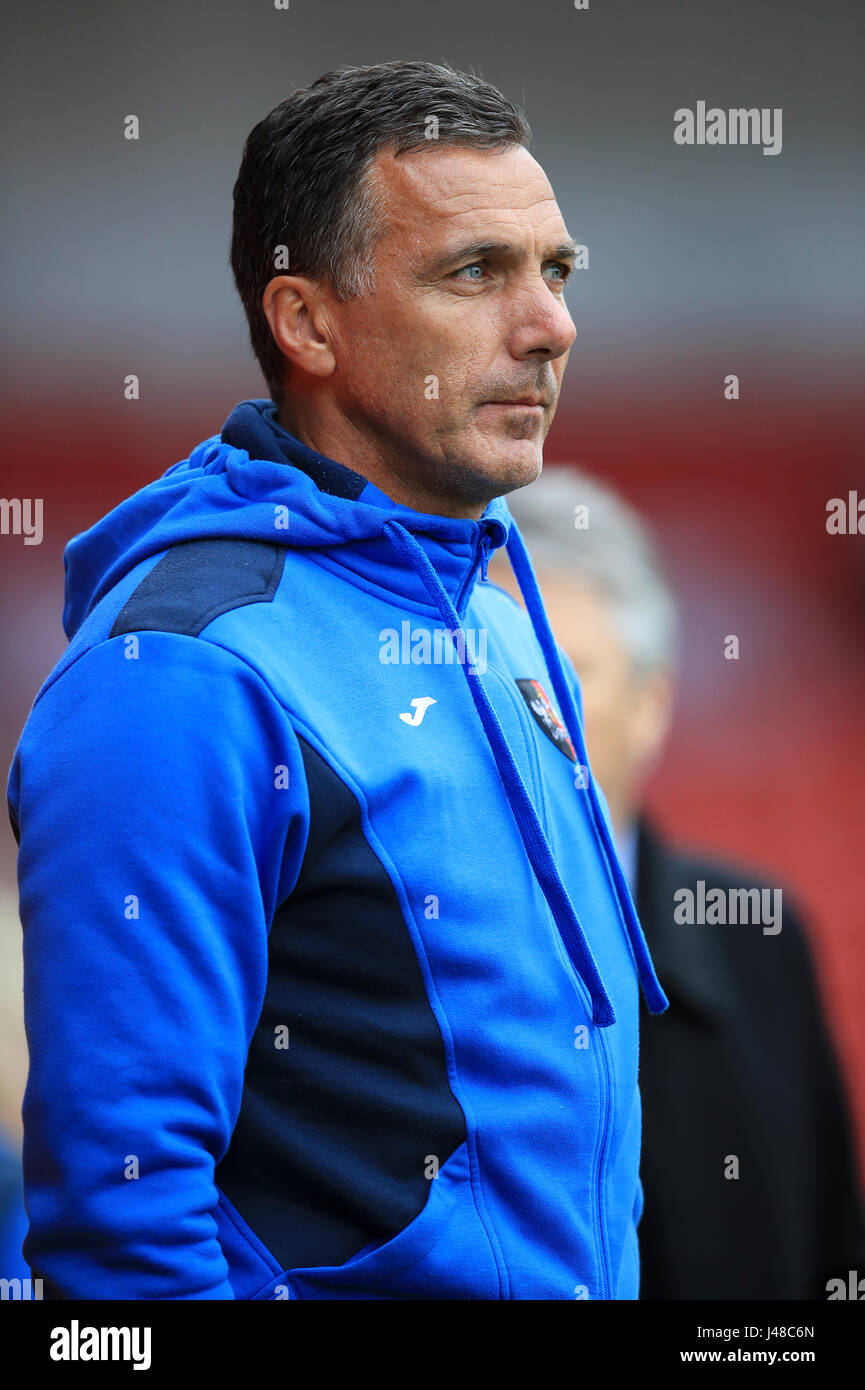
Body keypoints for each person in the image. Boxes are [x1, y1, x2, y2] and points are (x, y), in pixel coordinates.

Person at [5, 61, 668, 1301]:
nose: (550, 324)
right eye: (476, 272)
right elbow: (121, 1245)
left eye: (556, 271)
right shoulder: (183, 675)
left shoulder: (491, 612)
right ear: (306, 323)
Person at [496, 465, 865, 1299]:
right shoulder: (373, 932)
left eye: (566, 674)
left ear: (653, 702)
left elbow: (828, 1254)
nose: (527, 712)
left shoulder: (757, 940)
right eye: (491, 675)